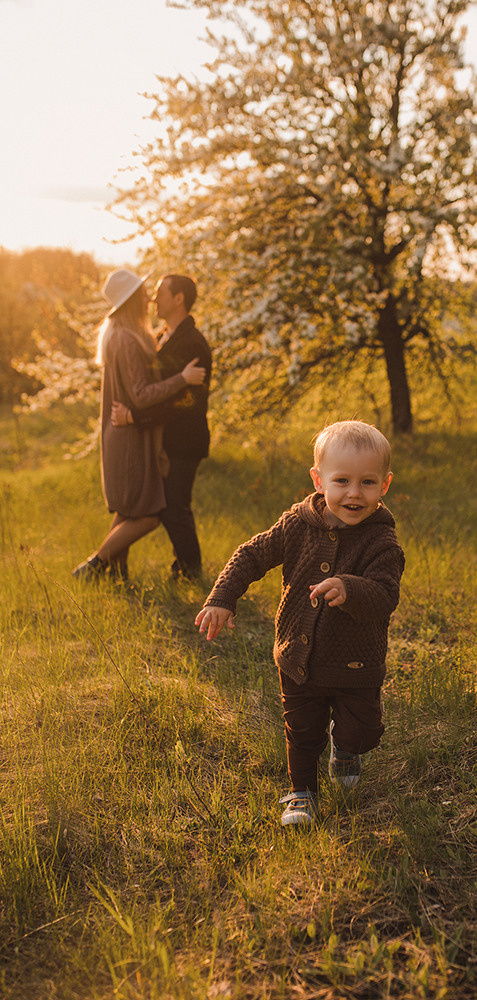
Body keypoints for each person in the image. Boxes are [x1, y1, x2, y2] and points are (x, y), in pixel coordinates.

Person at [195, 420, 405, 828]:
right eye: (341, 480)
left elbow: (385, 595)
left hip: (355, 665)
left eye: (367, 482)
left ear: (385, 485)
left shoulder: (382, 542)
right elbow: (251, 554)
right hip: (298, 657)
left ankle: (346, 749)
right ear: (318, 479)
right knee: (303, 731)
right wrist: (223, 597)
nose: (353, 493)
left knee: (363, 732)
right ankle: (302, 794)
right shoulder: (297, 525)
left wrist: (350, 587)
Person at [72, 269, 206, 580]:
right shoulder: (126, 339)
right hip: (130, 435)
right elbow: (141, 394)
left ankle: (117, 576)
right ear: (132, 300)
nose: (150, 298)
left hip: (130, 432)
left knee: (128, 509)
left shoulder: (125, 334)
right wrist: (182, 379)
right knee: (147, 515)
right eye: (144, 293)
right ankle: (95, 564)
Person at [110, 274, 212, 579]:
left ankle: (190, 572)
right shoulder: (160, 337)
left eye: (160, 294)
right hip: (160, 439)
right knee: (160, 505)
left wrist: (136, 418)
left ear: (178, 299)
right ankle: (122, 565)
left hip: (184, 440)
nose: (154, 299)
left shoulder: (194, 344)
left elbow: (188, 403)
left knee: (174, 508)